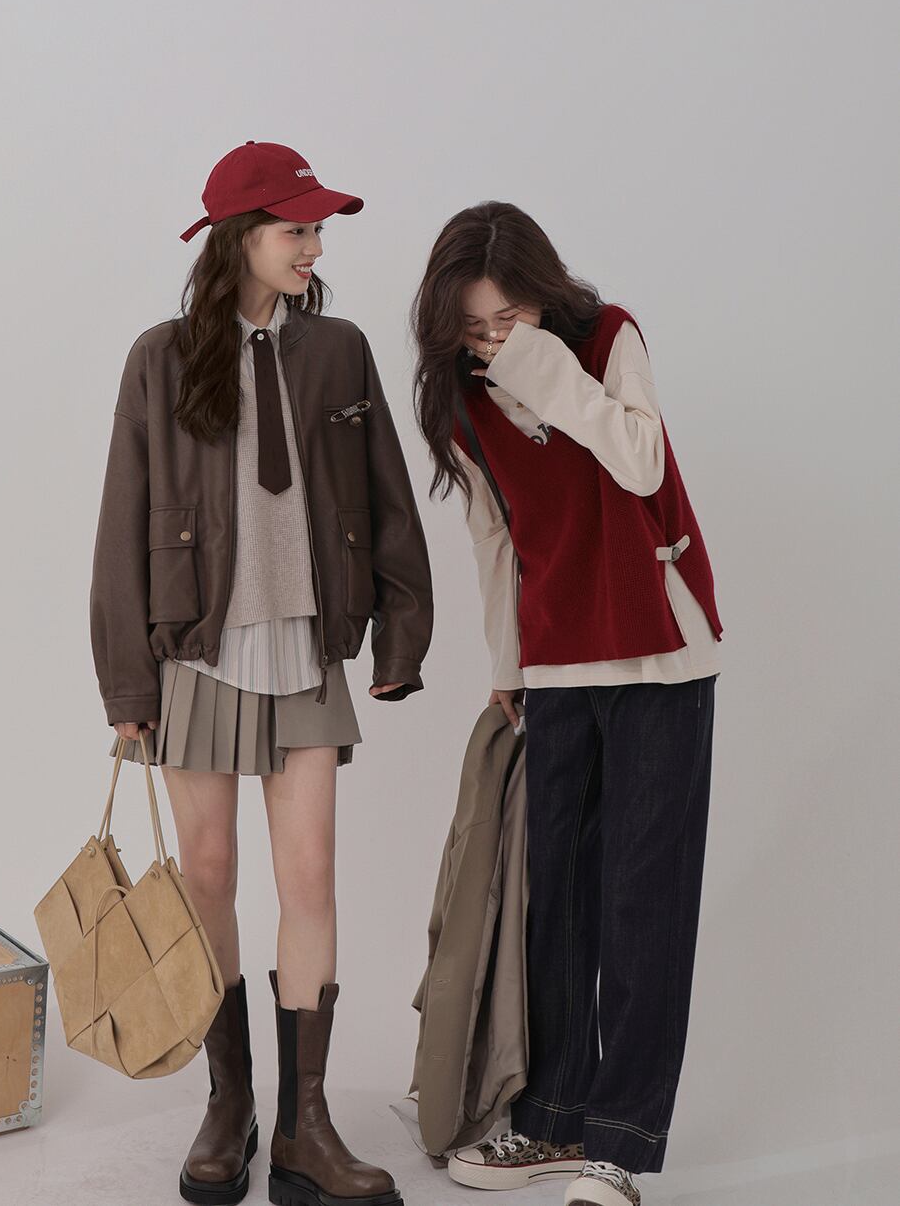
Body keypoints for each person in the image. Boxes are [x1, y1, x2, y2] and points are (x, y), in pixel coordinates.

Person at [90, 140, 432, 1206]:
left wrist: (401, 636)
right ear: (241, 236)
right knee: (205, 873)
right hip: (198, 648)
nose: (314, 246)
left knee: (310, 875)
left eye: (318, 228)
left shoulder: (339, 350)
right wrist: (127, 687)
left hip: (306, 645)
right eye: (296, 228)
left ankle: (305, 1125)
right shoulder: (161, 357)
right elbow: (120, 522)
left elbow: (387, 497)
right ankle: (228, 1103)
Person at [410, 202, 723, 1206]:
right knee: (554, 902)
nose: (490, 341)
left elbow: (639, 460)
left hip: (658, 654)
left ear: (541, 294)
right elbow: (494, 538)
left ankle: (618, 1143)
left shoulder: (606, 338)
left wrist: (540, 365)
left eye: (506, 318)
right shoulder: (462, 403)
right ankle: (550, 1117)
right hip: (553, 667)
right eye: (471, 328)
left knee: (642, 901)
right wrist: (506, 665)